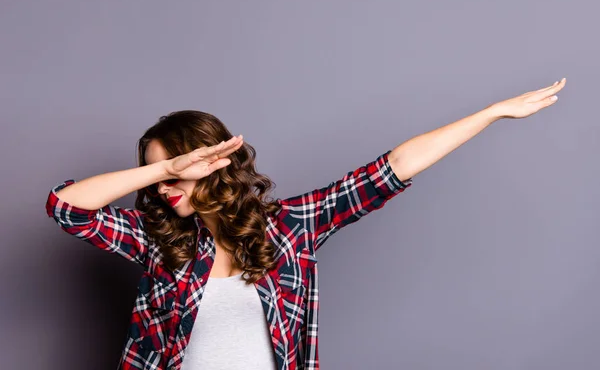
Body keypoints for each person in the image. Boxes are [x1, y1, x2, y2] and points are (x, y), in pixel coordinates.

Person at [45, 78, 566, 370]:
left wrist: (492, 112)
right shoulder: (159, 241)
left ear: (216, 162)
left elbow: (391, 169)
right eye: (160, 171)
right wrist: (166, 167)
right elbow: (65, 207)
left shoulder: (289, 227)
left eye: (181, 166)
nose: (165, 188)